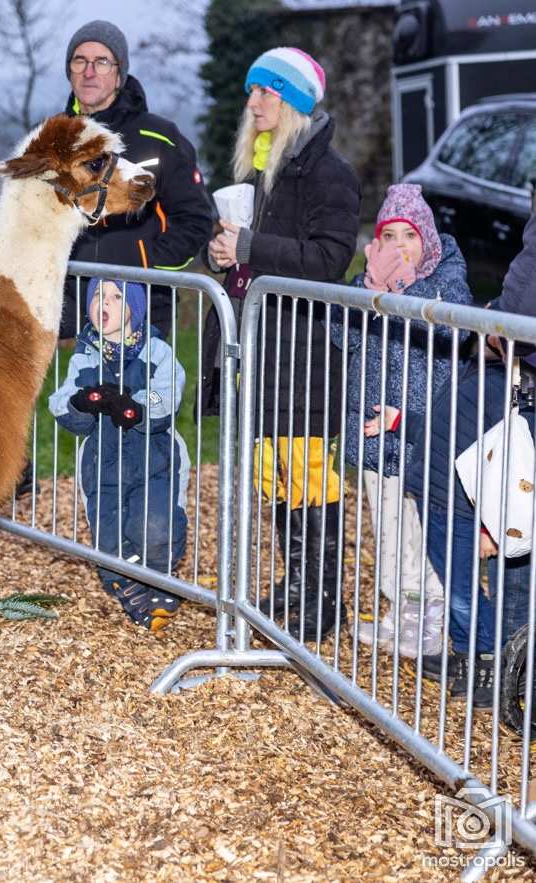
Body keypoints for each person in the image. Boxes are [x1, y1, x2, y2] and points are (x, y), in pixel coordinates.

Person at [207, 47, 360, 643]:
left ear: (292, 101)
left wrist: (249, 248)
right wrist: (220, 254)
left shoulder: (329, 173)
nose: (252, 103)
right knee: (274, 475)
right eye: (252, 91)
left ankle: (324, 598)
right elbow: (243, 250)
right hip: (260, 349)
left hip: (303, 353)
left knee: (310, 478)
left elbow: (329, 259)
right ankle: (297, 579)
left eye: (265, 92)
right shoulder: (259, 168)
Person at [371, 210, 536, 705]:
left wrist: (488, 525)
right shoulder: (472, 378)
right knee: (454, 582)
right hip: (433, 487)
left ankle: (488, 661)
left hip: (458, 500)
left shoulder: (505, 395)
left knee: (465, 591)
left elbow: (497, 460)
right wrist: (401, 423)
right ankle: (470, 653)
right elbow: (441, 426)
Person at [332, 183, 471, 659]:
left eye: (408, 235)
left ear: (426, 238)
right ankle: (401, 607)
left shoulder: (447, 277)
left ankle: (432, 614)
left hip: (421, 427)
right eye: (388, 236)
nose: (398, 246)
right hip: (374, 423)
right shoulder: (369, 278)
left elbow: (454, 330)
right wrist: (367, 293)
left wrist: (407, 289)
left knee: (424, 521)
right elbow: (342, 338)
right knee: (388, 521)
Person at [49, 279, 191, 630]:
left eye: (116, 297)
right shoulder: (84, 356)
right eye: (98, 295)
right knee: (109, 537)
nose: (105, 302)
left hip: (154, 458)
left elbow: (165, 395)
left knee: (154, 525)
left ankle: (158, 581)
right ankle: (132, 590)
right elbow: (61, 401)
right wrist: (82, 402)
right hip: (103, 461)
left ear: (134, 309)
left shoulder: (156, 352)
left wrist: (133, 407)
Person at [58, 20, 214, 340]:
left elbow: (195, 218)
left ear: (120, 74)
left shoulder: (159, 137)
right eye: (79, 61)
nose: (89, 72)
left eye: (102, 61)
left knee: (137, 378)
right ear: (69, 71)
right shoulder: (53, 138)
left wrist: (146, 266)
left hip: (139, 306)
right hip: (67, 308)